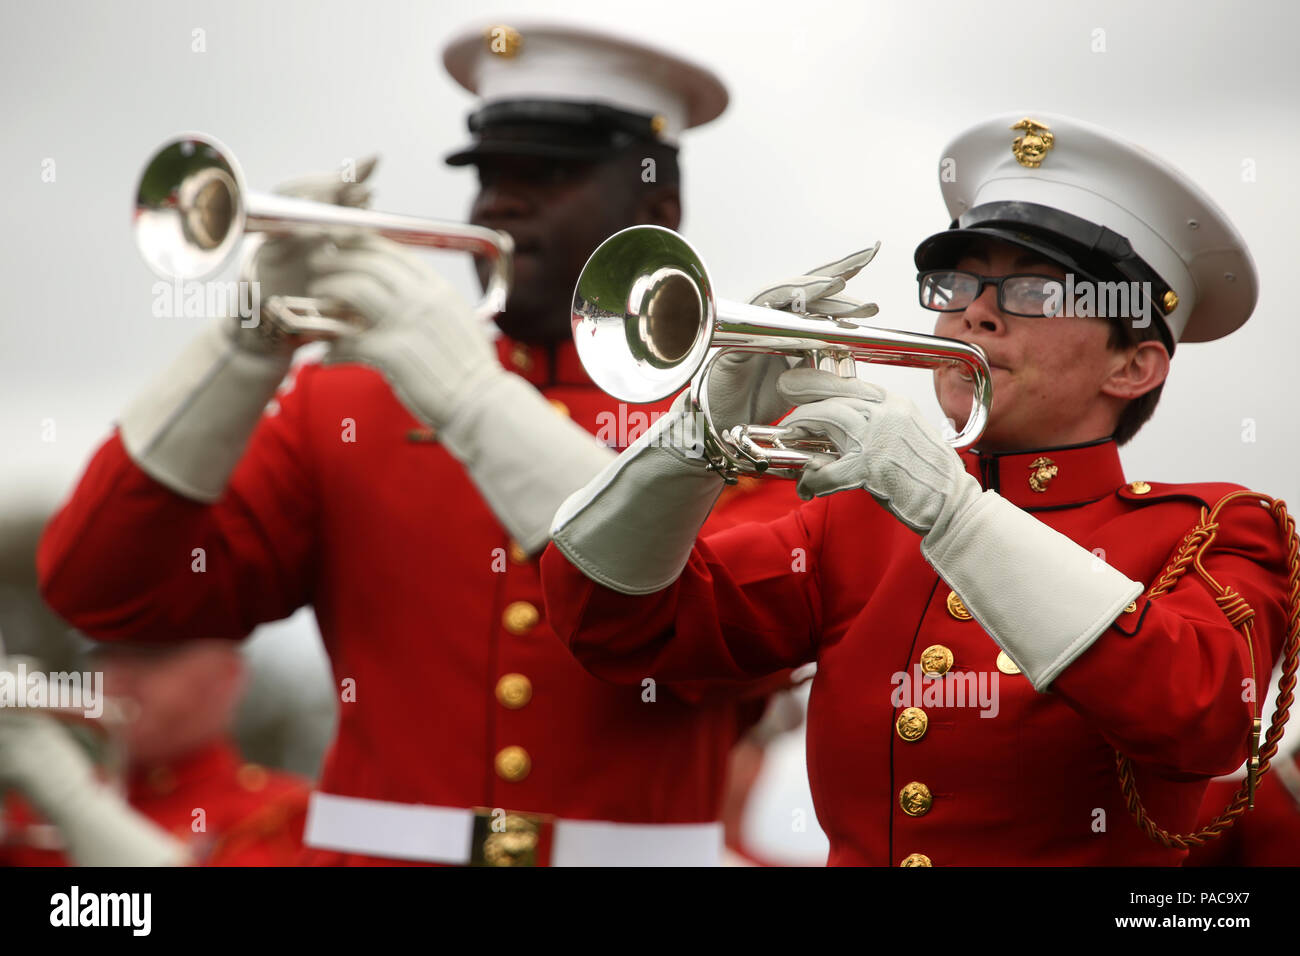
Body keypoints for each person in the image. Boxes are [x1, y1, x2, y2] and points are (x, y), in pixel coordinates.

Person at [36, 22, 814, 866]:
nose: (502, 204)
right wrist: (239, 351)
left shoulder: (738, 418)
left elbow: (724, 643)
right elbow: (103, 589)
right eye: (490, 176)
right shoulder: (347, 402)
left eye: (549, 174)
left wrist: (474, 399)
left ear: (659, 208)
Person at [540, 112, 1296, 866]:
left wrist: (955, 513)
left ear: (1134, 365)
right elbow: (610, 622)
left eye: (1033, 289)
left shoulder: (1218, 528)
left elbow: (1201, 716)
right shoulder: (856, 524)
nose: (975, 311)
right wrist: (697, 434)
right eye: (956, 282)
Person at [1, 641, 308, 866]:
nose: (119, 676)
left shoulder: (291, 818)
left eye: (150, 656)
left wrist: (75, 802)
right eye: (104, 654)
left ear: (227, 677)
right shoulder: (30, 813)